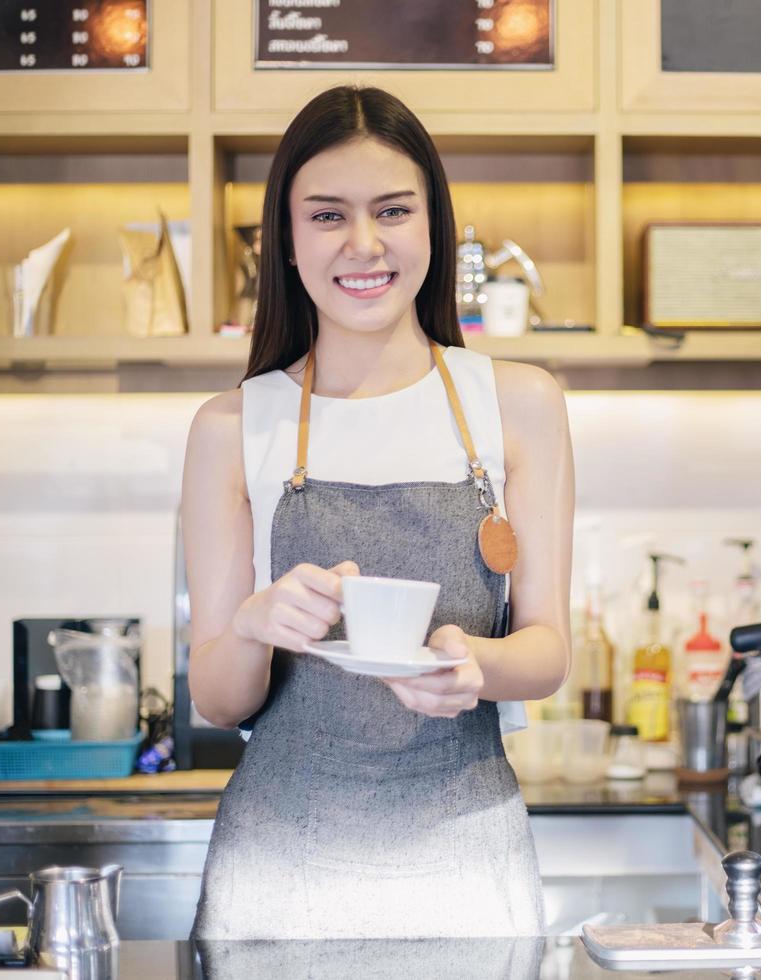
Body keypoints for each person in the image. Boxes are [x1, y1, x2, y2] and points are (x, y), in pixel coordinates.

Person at [180, 85, 574, 940]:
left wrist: (473, 665)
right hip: (280, 863)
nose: (364, 244)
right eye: (327, 216)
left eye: (393, 210)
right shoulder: (231, 426)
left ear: (434, 226)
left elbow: (548, 652)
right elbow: (216, 697)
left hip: (470, 858)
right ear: (286, 240)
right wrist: (253, 624)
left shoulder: (519, 404)